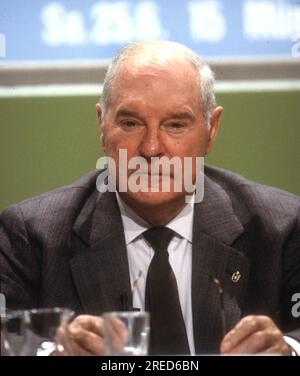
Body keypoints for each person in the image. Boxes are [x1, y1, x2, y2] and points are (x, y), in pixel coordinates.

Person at [0, 40, 299, 356]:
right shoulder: (32, 236)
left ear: (212, 129)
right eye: (130, 123)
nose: (152, 148)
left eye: (175, 125)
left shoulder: (283, 227)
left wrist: (289, 350)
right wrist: (49, 353)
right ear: (102, 126)